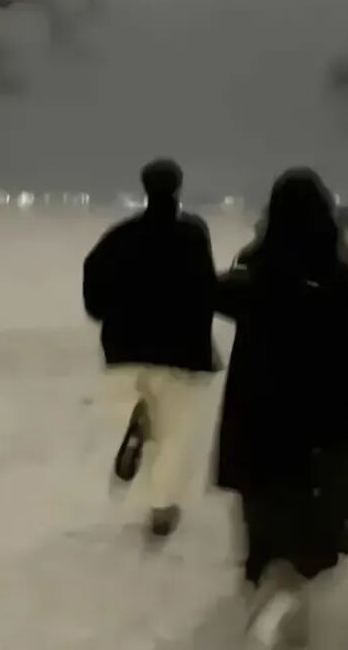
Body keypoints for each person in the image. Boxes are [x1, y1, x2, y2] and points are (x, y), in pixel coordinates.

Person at [214, 169, 348, 648]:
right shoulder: (341, 282)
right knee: (311, 542)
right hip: (320, 439)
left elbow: (212, 294)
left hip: (254, 437)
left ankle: (269, 602)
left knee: (262, 539)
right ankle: (287, 613)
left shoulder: (254, 274)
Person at [83, 158, 219, 538]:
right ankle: (162, 509)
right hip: (181, 352)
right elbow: (206, 290)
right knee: (176, 434)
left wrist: (109, 315)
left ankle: (134, 415)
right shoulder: (193, 235)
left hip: (125, 348)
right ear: (178, 187)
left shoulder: (119, 236)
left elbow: (93, 288)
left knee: (144, 408)